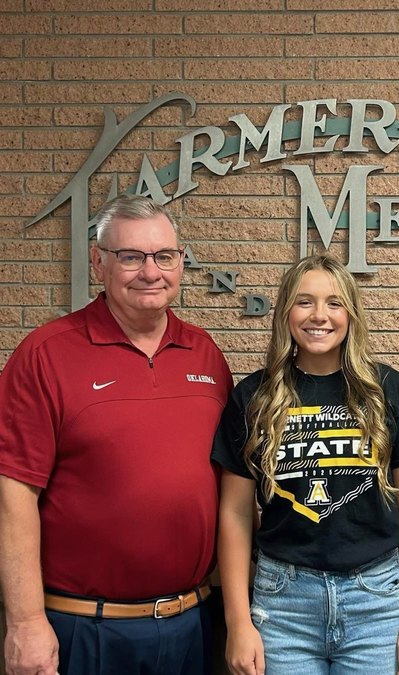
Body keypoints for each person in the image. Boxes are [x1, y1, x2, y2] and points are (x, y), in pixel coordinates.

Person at [0, 194, 233, 675]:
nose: (151, 272)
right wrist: (25, 622)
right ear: (98, 262)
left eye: (164, 256)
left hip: (191, 624)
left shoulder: (204, 354)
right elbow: (13, 494)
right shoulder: (46, 354)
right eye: (131, 257)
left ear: (181, 262)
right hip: (83, 630)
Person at [213, 254, 399, 675]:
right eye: (304, 301)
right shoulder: (254, 396)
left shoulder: (390, 391)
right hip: (283, 604)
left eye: (334, 303)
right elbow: (235, 512)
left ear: (351, 314)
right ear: (285, 313)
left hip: (376, 601)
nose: (319, 316)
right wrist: (237, 622)